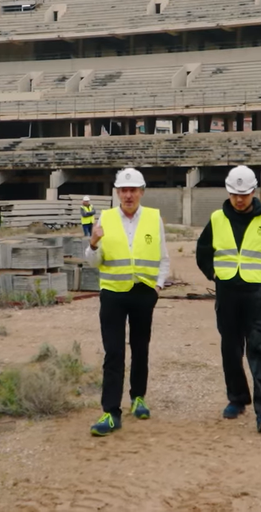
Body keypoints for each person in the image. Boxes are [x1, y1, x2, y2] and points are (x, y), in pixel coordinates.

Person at [195, 165, 261, 434]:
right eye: (236, 194)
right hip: (227, 295)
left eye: (245, 194)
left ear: (254, 192)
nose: (240, 199)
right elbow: (203, 251)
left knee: (260, 351)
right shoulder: (217, 219)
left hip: (257, 297)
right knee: (231, 350)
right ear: (228, 192)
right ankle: (236, 399)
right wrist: (213, 274)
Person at [84, 168, 170, 437]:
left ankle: (138, 398)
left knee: (141, 348)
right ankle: (111, 412)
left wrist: (157, 286)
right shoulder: (105, 218)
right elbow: (92, 262)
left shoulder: (154, 218)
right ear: (117, 193)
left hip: (143, 293)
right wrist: (94, 244)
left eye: (133, 190)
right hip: (113, 294)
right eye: (124, 190)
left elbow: (163, 258)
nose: (128, 195)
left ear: (141, 192)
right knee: (114, 353)